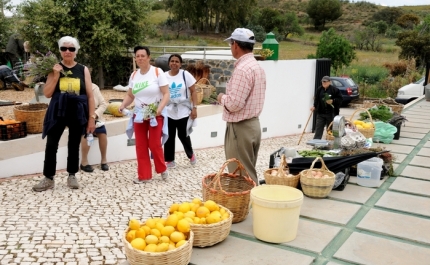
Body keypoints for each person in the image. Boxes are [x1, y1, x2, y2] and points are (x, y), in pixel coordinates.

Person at [32, 36, 95, 192]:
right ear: (60, 51)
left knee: (74, 144)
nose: (68, 51)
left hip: (77, 111)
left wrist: (92, 118)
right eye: (64, 48)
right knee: (51, 144)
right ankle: (48, 178)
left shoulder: (83, 69)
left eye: (71, 49)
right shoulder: (54, 68)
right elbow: (47, 93)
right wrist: (55, 75)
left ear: (76, 51)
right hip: (58, 110)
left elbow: (90, 95)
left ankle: (72, 175)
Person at [217, 28, 266, 185]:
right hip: (253, 125)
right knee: (248, 170)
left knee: (240, 175)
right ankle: (253, 204)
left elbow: (234, 104)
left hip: (240, 127)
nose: (231, 47)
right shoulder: (256, 67)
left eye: (231, 44)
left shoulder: (242, 69)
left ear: (236, 44)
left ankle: (249, 206)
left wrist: (221, 97)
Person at [119, 46, 170, 183]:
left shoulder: (157, 72)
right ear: (135, 58)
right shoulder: (134, 75)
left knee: (154, 144)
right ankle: (144, 175)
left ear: (148, 57)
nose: (140, 58)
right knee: (140, 145)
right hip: (139, 114)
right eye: (138, 56)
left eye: (143, 55)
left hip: (155, 113)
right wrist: (123, 105)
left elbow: (166, 93)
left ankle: (162, 168)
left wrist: (160, 108)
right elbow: (130, 95)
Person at [164, 54, 198, 168]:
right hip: (168, 110)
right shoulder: (164, 76)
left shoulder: (185, 74)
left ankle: (190, 154)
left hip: (183, 110)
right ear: (169, 63)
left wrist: (194, 108)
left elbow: (193, 91)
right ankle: (169, 160)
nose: (174, 63)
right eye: (172, 61)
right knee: (169, 135)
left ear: (180, 64)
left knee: (183, 134)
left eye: (177, 61)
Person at [80, 83, 109, 172]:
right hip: (82, 118)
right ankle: (84, 162)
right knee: (88, 134)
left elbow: (103, 104)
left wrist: (95, 115)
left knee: (102, 133)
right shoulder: (76, 87)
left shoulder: (94, 87)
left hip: (95, 117)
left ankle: (104, 160)